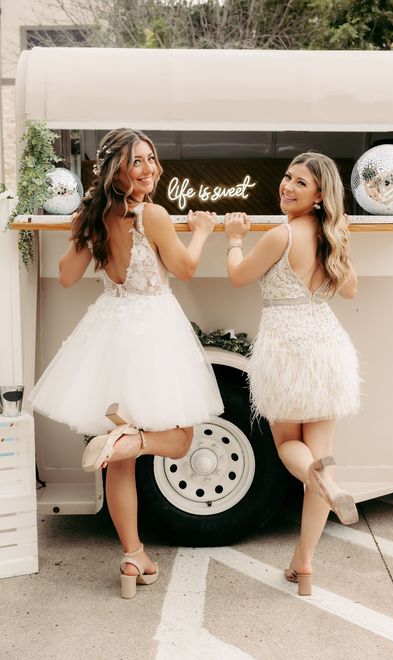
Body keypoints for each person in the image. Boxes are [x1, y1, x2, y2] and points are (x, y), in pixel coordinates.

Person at [29, 128, 223, 599]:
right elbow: (186, 269)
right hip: (153, 329)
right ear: (118, 168)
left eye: (152, 160)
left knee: (122, 464)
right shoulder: (151, 214)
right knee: (179, 440)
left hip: (110, 327)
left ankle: (134, 556)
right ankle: (129, 438)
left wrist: (82, 228)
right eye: (139, 161)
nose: (150, 168)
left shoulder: (95, 216)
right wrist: (200, 231)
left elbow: (69, 276)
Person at [224, 152, 360, 597]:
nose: (287, 186)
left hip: (285, 348)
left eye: (300, 183)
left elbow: (238, 277)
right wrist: (338, 237)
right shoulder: (329, 234)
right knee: (318, 452)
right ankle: (304, 566)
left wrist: (234, 239)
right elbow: (351, 288)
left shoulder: (280, 234)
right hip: (327, 345)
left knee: (288, 446)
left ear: (320, 194)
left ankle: (325, 483)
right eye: (287, 177)